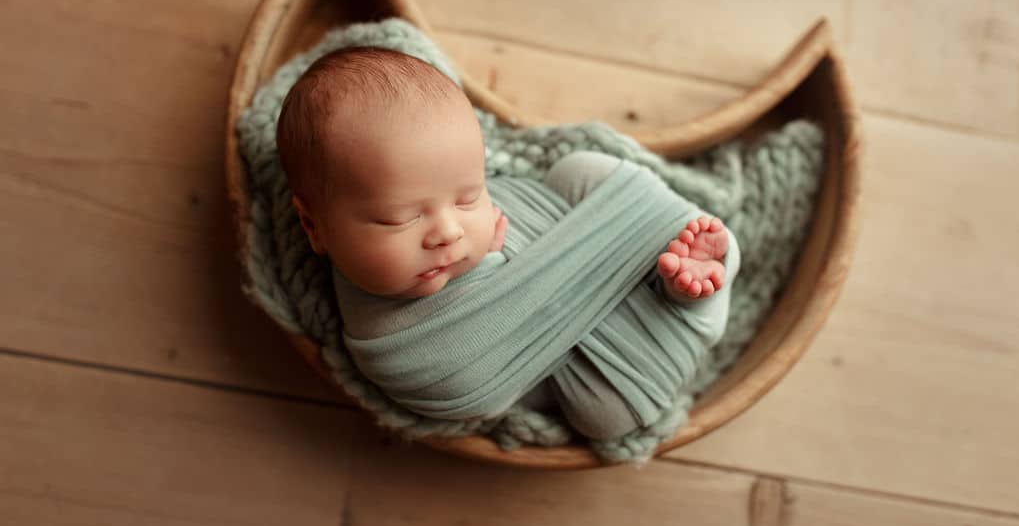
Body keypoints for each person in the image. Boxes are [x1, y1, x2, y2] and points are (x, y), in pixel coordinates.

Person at [275, 46, 739, 439]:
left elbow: (530, 196)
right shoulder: (387, 342)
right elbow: (472, 390)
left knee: (578, 171)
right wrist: (495, 264)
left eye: (469, 196)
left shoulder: (482, 208)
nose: (449, 232)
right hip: (612, 368)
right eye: (401, 218)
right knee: (607, 416)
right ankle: (689, 305)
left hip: (616, 261)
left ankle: (693, 281)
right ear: (315, 227)